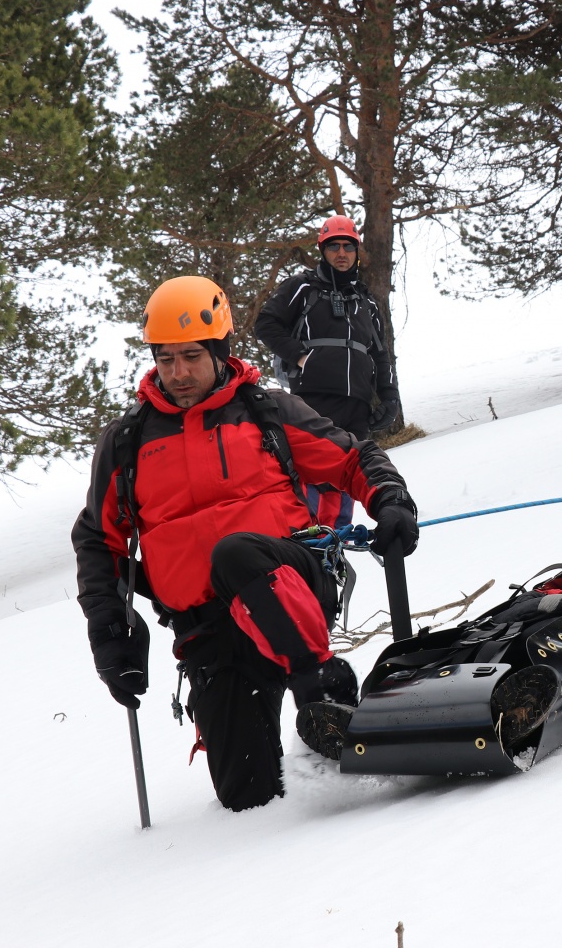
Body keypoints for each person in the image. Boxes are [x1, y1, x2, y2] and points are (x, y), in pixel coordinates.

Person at [72, 276, 419, 812]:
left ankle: (321, 685)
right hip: (209, 631)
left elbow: (352, 458)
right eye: (165, 360)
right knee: (248, 799)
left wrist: (390, 500)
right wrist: (109, 627)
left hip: (289, 583)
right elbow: (99, 539)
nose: (178, 373)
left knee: (234, 553)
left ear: (220, 350)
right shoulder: (127, 443)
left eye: (191, 356)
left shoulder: (267, 411)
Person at [255, 215, 400, 528]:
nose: (342, 253)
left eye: (348, 246)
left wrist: (389, 397)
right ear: (323, 250)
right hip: (314, 399)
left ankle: (337, 547)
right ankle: (310, 543)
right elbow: (265, 323)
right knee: (317, 471)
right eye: (334, 246)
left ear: (357, 250)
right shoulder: (303, 287)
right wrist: (300, 357)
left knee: (350, 470)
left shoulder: (366, 300)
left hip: (358, 403)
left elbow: (380, 352)